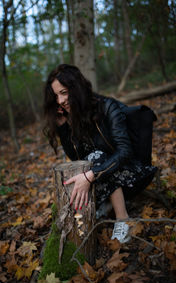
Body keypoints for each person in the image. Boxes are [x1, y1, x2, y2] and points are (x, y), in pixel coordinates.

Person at [43, 64, 157, 243]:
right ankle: (104, 203)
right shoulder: (73, 117)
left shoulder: (107, 107)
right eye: (56, 95)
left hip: (132, 173)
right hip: (105, 175)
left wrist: (90, 176)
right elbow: (77, 159)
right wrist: (64, 128)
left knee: (97, 156)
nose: (60, 101)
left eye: (64, 92)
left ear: (76, 88)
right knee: (89, 161)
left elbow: (125, 152)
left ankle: (123, 220)